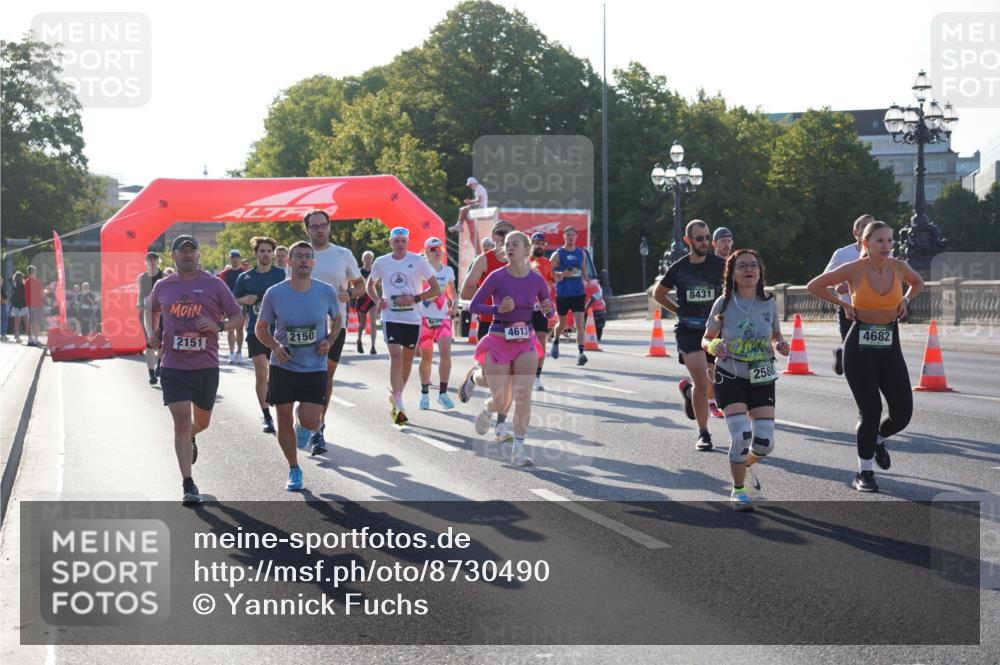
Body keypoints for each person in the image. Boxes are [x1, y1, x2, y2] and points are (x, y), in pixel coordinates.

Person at [807, 221, 923, 493]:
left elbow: (918, 282)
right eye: (880, 241)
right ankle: (864, 472)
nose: (887, 246)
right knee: (871, 412)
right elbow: (815, 285)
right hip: (859, 347)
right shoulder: (854, 268)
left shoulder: (899, 267)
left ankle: (878, 439)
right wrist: (844, 304)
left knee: (902, 413)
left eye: (890, 240)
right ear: (866, 243)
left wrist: (906, 299)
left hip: (890, 344)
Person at [149, 235, 243, 505]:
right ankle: (188, 484)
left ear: (198, 255)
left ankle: (192, 434)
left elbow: (238, 317)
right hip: (173, 365)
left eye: (192, 251)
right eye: (183, 251)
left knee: (202, 422)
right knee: (180, 421)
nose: (188, 255)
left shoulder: (215, 284)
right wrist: (152, 333)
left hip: (205, 366)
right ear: (174, 256)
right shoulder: (163, 286)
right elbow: (150, 309)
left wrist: (219, 326)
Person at [702, 249, 789, 510]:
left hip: (762, 375)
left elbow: (775, 334)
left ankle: (746, 465)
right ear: (732, 273)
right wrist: (713, 345)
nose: (749, 269)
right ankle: (738, 490)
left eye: (753, 265)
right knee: (741, 436)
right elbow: (705, 338)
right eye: (742, 266)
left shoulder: (769, 302)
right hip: (731, 374)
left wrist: (780, 343)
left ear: (760, 272)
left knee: (765, 443)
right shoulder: (723, 303)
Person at [255, 241, 342, 488]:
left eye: (308, 256)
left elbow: (337, 319)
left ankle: (302, 425)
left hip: (314, 365)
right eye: (299, 256)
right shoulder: (275, 293)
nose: (304, 260)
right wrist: (275, 347)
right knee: (282, 417)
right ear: (289, 261)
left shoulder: (325, 291)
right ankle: (294, 469)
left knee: (311, 421)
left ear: (313, 262)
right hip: (283, 365)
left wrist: (329, 341)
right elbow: (260, 328)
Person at [469, 231, 553, 465]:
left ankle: (519, 450)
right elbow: (474, 306)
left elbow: (549, 311)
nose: (509, 248)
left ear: (526, 249)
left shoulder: (536, 279)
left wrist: (548, 310)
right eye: (507, 244)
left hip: (525, 340)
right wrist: (498, 309)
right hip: (499, 339)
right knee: (501, 401)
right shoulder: (497, 277)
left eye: (515, 244)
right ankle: (487, 406)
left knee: (523, 396)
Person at [653, 220, 726, 451]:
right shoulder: (679, 267)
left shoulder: (720, 265)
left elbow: (735, 289)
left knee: (709, 385)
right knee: (702, 382)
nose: (704, 242)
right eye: (699, 238)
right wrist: (678, 311)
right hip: (688, 330)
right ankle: (704, 433)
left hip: (713, 331)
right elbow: (658, 293)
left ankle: (688, 392)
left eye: (707, 238)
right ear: (688, 240)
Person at [304, 210, 366, 450]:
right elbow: (287, 286)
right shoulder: (300, 254)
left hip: (334, 324)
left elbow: (360, 286)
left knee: (325, 376)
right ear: (307, 230)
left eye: (323, 225)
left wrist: (348, 293)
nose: (319, 230)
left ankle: (318, 426)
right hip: (302, 324)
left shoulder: (343, 254)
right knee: (304, 376)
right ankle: (305, 417)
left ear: (329, 227)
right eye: (314, 226)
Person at [366, 227, 440, 425]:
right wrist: (377, 300)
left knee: (407, 360)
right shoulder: (381, 262)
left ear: (407, 242)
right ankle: (399, 404)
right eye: (396, 241)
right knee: (396, 357)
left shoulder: (418, 261)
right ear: (390, 243)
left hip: (412, 318)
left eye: (403, 241)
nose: (400, 244)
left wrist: (414, 298)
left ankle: (397, 394)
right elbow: (370, 284)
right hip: (390, 316)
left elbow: (436, 288)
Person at [458, 219, 514, 441]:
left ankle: (501, 426)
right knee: (492, 380)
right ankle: (473, 378)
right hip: (490, 325)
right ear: (494, 237)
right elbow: (465, 292)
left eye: (510, 233)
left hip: (516, 327)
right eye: (501, 233)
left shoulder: (522, 262)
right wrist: (491, 298)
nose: (505, 237)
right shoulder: (485, 260)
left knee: (510, 379)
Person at [233, 237, 286, 434]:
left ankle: (282, 411)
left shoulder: (282, 274)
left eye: (269, 251)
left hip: (280, 332)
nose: (266, 254)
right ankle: (267, 417)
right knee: (261, 371)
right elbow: (233, 299)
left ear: (273, 254)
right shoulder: (245, 277)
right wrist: (244, 299)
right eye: (262, 251)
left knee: (278, 374)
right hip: (256, 330)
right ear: (256, 253)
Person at [823, 214, 874, 375]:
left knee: (871, 349)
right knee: (853, 348)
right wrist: (837, 284)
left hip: (875, 310)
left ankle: (847, 356)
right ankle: (843, 353)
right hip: (848, 309)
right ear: (855, 232)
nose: (868, 230)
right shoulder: (842, 254)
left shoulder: (884, 252)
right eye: (864, 226)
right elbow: (824, 279)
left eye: (871, 226)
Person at [417, 237, 457, 411]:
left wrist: (454, 302)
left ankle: (443, 393)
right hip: (425, 318)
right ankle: (424, 394)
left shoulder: (448, 270)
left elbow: (452, 292)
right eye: (433, 249)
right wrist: (427, 296)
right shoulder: (421, 270)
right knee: (426, 358)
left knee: (445, 354)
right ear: (426, 252)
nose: (437, 251)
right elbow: (415, 292)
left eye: (439, 248)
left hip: (443, 318)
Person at [550, 226, 590, 366]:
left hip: (578, 293)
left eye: (573, 235)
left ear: (576, 237)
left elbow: (583, 269)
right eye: (568, 235)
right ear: (564, 237)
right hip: (563, 294)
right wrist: (561, 274)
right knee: (562, 324)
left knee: (580, 324)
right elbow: (549, 272)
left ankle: (581, 353)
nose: (570, 237)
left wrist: (586, 279)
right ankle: (556, 341)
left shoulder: (581, 253)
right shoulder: (558, 254)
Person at [529, 232, 556, 390]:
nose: (539, 246)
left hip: (541, 307)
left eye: (542, 244)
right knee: (523, 341)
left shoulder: (547, 263)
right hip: (524, 307)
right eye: (537, 243)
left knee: (541, 340)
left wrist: (555, 279)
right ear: (531, 244)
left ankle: (537, 377)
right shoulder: (524, 260)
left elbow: (550, 282)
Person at [137, 252, 165, 385]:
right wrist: (139, 303)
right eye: (149, 260)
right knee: (149, 341)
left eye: (154, 260)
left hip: (161, 312)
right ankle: (151, 374)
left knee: (160, 342)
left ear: (158, 262)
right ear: (146, 263)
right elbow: (140, 293)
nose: (152, 262)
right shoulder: (141, 277)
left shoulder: (163, 276)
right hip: (146, 311)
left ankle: (160, 364)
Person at [217, 249, 248, 364]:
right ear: (230, 259)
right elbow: (219, 289)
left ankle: (239, 352)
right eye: (232, 257)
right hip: (228, 304)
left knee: (240, 329)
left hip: (242, 303)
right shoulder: (224, 274)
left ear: (240, 259)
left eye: (237, 257)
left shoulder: (245, 272)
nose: (234, 259)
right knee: (230, 328)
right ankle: (231, 353)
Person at [449, 176, 488, 248]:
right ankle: (459, 225)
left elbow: (480, 200)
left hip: (481, 207)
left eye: (470, 185)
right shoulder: (479, 188)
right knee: (464, 210)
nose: (469, 187)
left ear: (473, 183)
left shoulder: (479, 188)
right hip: (481, 207)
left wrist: (470, 201)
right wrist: (470, 202)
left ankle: (459, 225)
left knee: (463, 209)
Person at [355, 250, 379, 355]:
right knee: (363, 324)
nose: (368, 259)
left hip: (372, 299)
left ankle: (373, 346)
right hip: (362, 299)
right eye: (366, 257)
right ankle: (359, 340)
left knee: (373, 322)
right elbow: (354, 284)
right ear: (363, 259)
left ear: (372, 259)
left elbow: (380, 283)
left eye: (370, 257)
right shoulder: (358, 271)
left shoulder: (375, 271)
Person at [24, 265, 44, 346]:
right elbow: (42, 293)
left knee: (30, 323)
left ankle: (30, 340)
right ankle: (35, 340)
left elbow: (26, 294)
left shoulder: (26, 282)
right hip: (38, 304)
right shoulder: (38, 282)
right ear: (34, 272)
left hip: (29, 305)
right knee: (37, 322)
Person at [9, 272, 28, 343]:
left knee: (16, 323)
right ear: (22, 278)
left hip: (16, 306)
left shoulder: (13, 285)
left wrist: (14, 277)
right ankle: (30, 338)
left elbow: (9, 279)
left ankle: (17, 337)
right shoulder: (24, 285)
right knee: (26, 322)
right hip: (23, 306)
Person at [1, 275, 10, 341]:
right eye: (1, 281)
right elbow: (5, 298)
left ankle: (3, 335)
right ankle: (3, 335)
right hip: (2, 305)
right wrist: (5, 301)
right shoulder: (1, 289)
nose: (2, 282)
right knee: (4, 320)